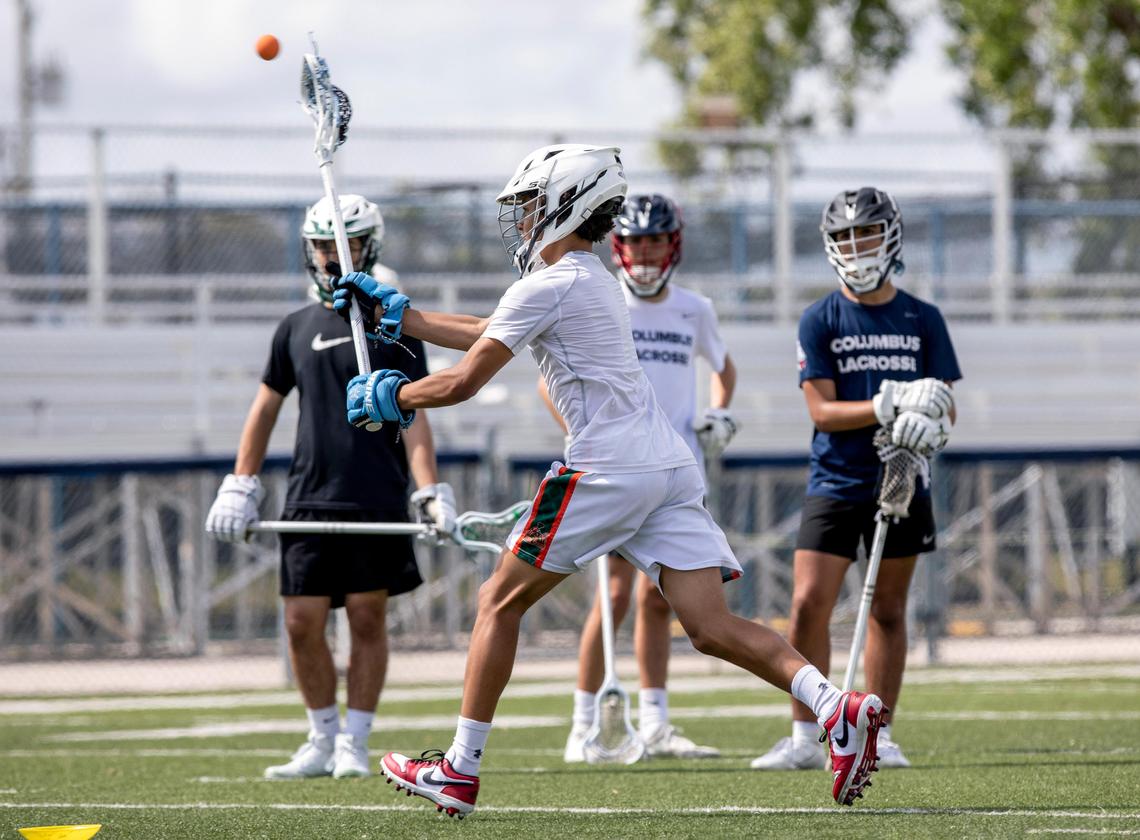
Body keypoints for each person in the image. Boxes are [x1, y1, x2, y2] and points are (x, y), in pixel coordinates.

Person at [333, 145, 885, 817]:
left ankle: (458, 768)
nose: (523, 218)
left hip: (605, 467)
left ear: (567, 203)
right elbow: (489, 331)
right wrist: (402, 317)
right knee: (711, 626)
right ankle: (838, 708)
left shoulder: (551, 281)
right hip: (666, 467)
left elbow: (466, 377)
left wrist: (398, 395)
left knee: (497, 603)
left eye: (532, 204)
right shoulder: (583, 277)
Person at [204, 194, 457, 780]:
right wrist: (240, 483)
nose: (328, 256)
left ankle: (355, 742)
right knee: (300, 622)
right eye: (319, 244)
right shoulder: (293, 327)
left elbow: (416, 415)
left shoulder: (391, 326)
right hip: (308, 496)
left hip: (375, 491)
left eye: (339, 244)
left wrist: (429, 490)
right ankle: (321, 736)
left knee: (368, 618)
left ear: (370, 246)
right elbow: (264, 409)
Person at [750, 187, 961, 772]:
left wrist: (927, 422)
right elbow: (821, 411)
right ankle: (800, 736)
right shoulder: (821, 317)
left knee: (888, 609)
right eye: (843, 236)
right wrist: (890, 404)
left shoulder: (924, 317)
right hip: (837, 481)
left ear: (889, 236)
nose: (854, 245)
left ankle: (880, 732)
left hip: (901, 480)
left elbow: (947, 408)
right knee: (807, 604)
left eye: (864, 233)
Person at [540, 193, 738, 762]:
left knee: (664, 603)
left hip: (674, 474)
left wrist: (719, 411)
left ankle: (655, 721)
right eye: (635, 241)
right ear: (617, 245)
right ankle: (583, 723)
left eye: (655, 240)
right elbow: (546, 382)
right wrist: (587, 432)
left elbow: (723, 367)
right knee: (615, 596)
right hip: (616, 469)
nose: (645, 252)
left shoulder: (693, 309)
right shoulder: (601, 298)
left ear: (671, 244)